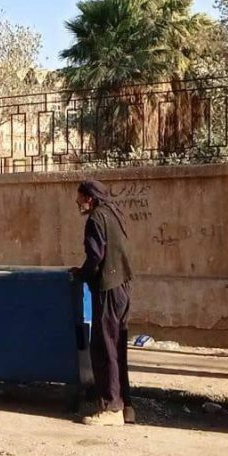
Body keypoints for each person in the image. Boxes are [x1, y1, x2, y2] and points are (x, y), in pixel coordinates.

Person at [73, 180, 135, 426]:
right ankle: (125, 405)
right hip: (123, 285)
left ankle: (111, 407)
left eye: (79, 197)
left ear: (89, 198)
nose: (77, 202)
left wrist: (81, 274)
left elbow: (96, 256)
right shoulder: (114, 213)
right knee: (118, 345)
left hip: (108, 288)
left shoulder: (96, 218)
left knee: (103, 346)